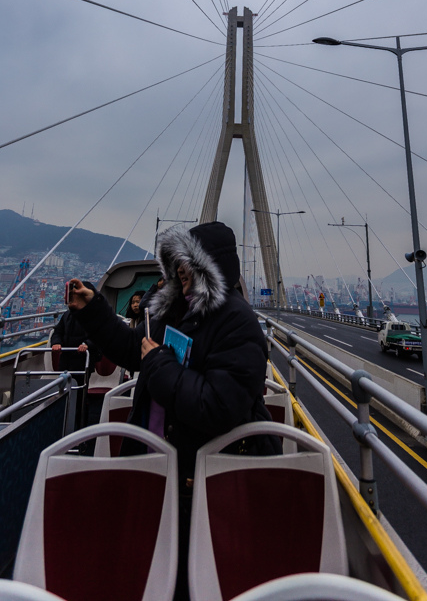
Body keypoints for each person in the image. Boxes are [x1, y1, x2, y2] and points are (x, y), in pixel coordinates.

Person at [68, 222, 279, 600]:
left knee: (192, 579)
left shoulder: (238, 324)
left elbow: (216, 406)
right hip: (158, 463)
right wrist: (94, 311)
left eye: (187, 267)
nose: (179, 275)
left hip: (203, 482)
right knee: (151, 572)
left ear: (209, 269)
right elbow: (136, 349)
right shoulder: (174, 312)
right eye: (177, 267)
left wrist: (160, 363)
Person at [50, 281, 101, 374]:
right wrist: (56, 342)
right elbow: (58, 331)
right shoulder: (67, 315)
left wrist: (87, 344)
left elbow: (98, 335)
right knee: (64, 385)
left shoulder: (94, 316)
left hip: (84, 359)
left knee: (80, 385)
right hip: (65, 360)